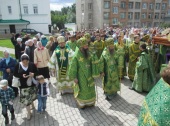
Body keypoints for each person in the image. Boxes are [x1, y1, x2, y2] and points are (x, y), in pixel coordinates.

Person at [68, 37, 97, 108]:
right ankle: (82, 104)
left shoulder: (88, 52)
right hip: (81, 76)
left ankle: (90, 102)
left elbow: (94, 62)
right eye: (85, 46)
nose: (87, 47)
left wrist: (95, 71)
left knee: (90, 88)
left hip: (90, 74)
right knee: (83, 89)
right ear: (81, 47)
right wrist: (74, 77)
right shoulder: (76, 55)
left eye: (87, 45)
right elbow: (73, 67)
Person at [13, 54, 37, 120]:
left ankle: (32, 105)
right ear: (21, 61)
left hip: (31, 85)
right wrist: (21, 75)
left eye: (26, 61)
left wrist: (33, 74)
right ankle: (29, 113)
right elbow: (15, 74)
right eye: (24, 62)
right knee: (27, 101)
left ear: (28, 60)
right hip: (23, 86)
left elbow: (37, 71)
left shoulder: (32, 64)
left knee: (31, 96)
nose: (25, 63)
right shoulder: (18, 65)